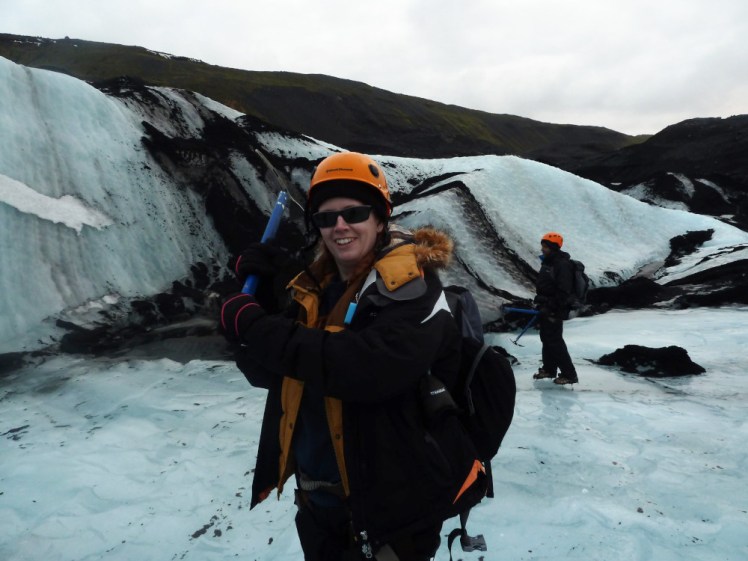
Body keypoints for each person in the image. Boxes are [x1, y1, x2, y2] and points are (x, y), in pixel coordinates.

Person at [219, 152, 480, 561]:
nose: (339, 226)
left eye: (354, 213)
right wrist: (264, 304)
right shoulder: (314, 291)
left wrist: (257, 327)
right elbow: (273, 374)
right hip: (319, 503)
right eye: (326, 218)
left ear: (380, 219)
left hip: (389, 513)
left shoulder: (414, 288)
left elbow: (366, 369)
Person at [533, 231, 579, 385]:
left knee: (554, 341)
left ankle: (569, 374)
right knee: (547, 338)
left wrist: (551, 306)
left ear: (553, 247)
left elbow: (563, 291)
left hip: (555, 308)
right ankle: (549, 369)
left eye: (545, 246)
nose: (542, 249)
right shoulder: (549, 262)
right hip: (547, 306)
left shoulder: (562, 264)